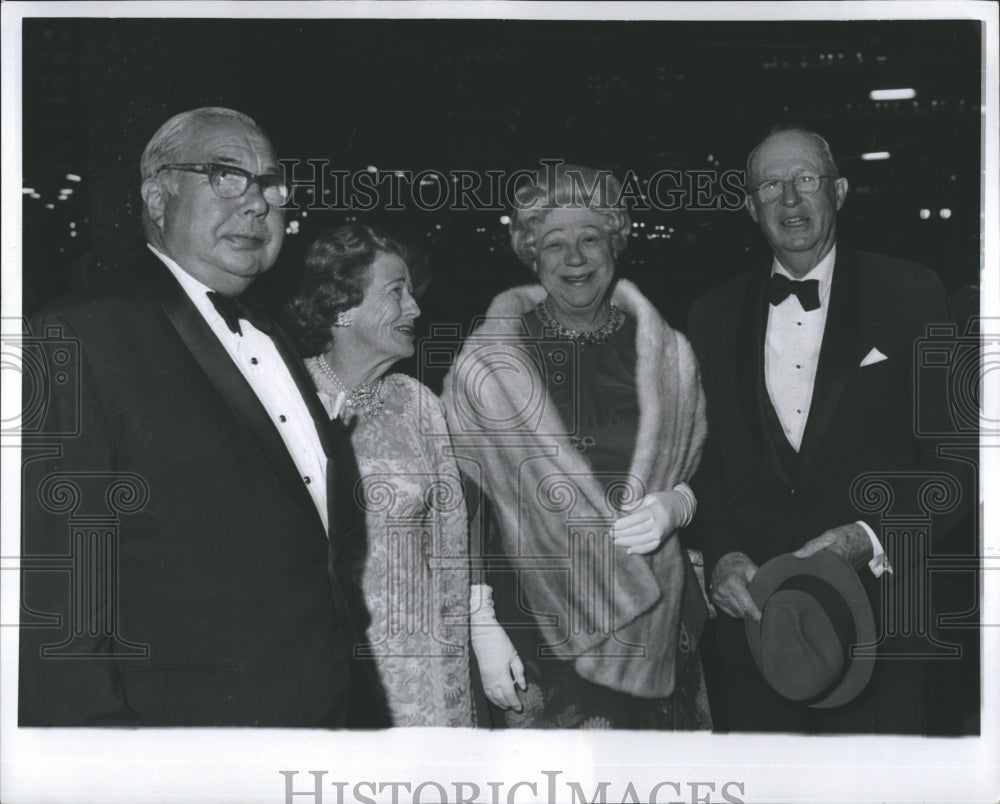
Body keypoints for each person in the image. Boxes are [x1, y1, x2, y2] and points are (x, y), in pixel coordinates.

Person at [18, 107, 388, 727]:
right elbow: (55, 599)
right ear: (157, 197)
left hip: (322, 725)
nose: (257, 204)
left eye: (271, 184)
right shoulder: (81, 334)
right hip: (180, 748)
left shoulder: (273, 336)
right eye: (224, 175)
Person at [687, 125, 963, 733]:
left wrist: (867, 535)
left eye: (806, 180)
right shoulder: (710, 316)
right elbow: (706, 466)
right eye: (771, 186)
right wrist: (724, 553)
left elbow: (955, 462)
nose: (790, 200)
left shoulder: (913, 292)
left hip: (883, 638)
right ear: (749, 205)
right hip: (761, 642)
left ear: (838, 191)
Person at [442, 164, 711, 729]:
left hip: (655, 624)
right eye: (554, 244)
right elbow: (460, 501)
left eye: (590, 238)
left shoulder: (671, 356)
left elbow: (709, 467)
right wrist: (478, 613)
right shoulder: (487, 365)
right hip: (535, 626)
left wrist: (680, 500)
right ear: (530, 255)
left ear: (615, 242)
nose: (575, 258)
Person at [289, 224, 523, 726]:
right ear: (340, 306)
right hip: (312, 661)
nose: (415, 309)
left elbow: (451, 539)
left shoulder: (417, 403)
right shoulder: (286, 396)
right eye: (397, 292)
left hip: (417, 665)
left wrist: (479, 628)